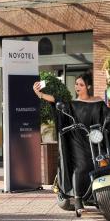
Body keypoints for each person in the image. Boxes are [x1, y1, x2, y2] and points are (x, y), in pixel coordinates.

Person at [33, 73, 109, 213]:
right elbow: (56, 100)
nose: (77, 87)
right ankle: (78, 199)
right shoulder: (72, 104)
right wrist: (40, 94)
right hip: (77, 141)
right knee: (82, 165)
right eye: (76, 84)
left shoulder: (98, 102)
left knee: (103, 162)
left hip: (95, 139)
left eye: (81, 84)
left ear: (88, 86)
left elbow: (107, 117)